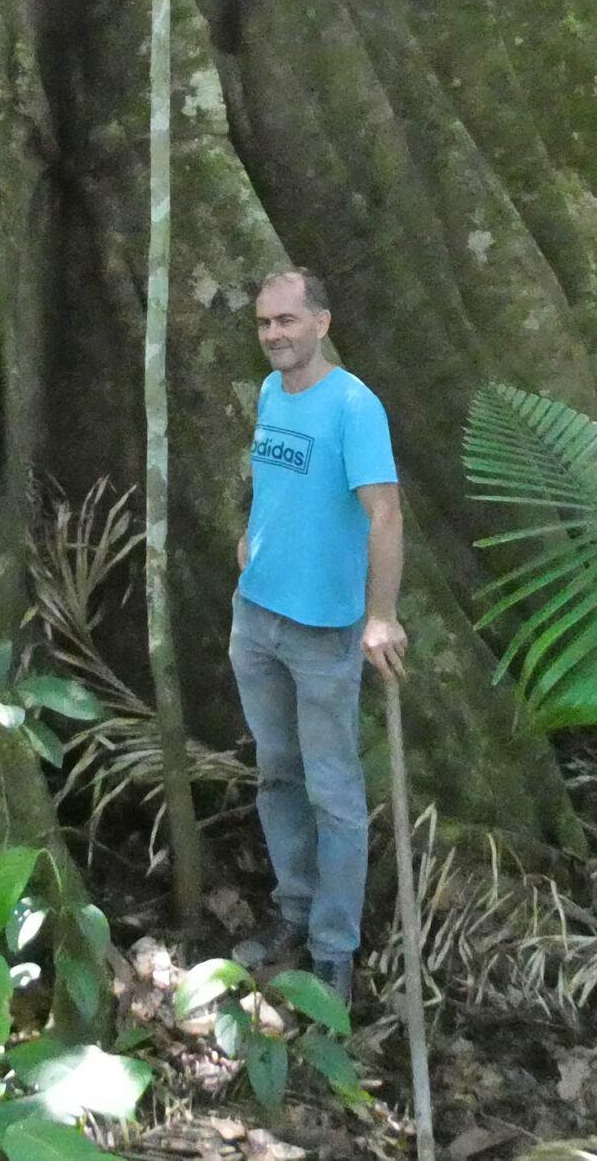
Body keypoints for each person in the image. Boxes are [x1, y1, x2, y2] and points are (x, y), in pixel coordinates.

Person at [227, 269, 405, 1008]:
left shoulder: (355, 406)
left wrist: (380, 615)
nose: (274, 334)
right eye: (265, 323)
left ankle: (334, 950)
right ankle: (294, 912)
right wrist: (251, 542)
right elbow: (272, 483)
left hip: (324, 629)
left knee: (333, 792)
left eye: (287, 320)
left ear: (322, 323)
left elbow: (385, 512)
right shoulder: (272, 394)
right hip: (256, 617)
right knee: (277, 775)